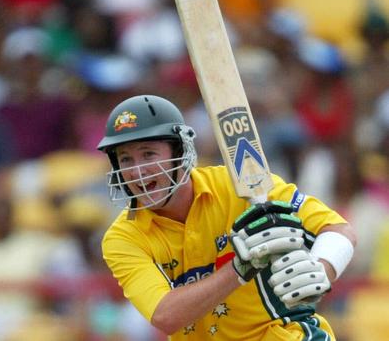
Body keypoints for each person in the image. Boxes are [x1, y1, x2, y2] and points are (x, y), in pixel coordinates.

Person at [97, 94, 356, 340]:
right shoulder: (123, 237)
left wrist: (321, 268)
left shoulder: (239, 186)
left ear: (180, 150)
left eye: (148, 154)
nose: (136, 171)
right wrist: (241, 268)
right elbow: (166, 316)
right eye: (125, 159)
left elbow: (340, 230)